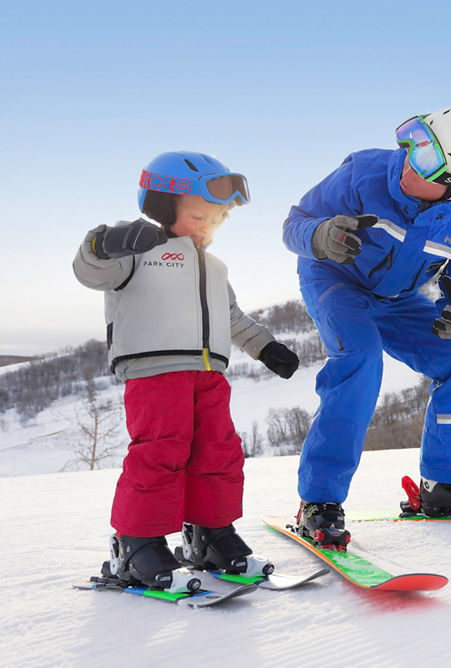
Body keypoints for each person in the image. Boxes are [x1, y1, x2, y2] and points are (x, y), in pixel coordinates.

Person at [282, 105, 451, 547]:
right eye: (415, 141)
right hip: (334, 280)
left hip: (398, 300)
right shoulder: (363, 172)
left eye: (426, 158)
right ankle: (318, 501)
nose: (409, 156)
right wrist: (320, 235)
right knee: (360, 362)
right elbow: (294, 225)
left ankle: (443, 484)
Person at [73, 151, 301, 592]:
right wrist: (105, 242)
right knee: (161, 451)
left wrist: (266, 346)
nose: (207, 224)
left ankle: (210, 536)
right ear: (163, 205)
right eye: (198, 213)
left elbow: (231, 316)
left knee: (220, 451)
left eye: (215, 217)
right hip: (155, 370)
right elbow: (91, 270)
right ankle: (136, 544)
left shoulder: (214, 266)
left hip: (209, 372)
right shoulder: (137, 249)